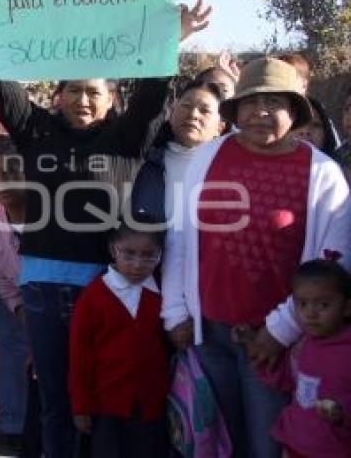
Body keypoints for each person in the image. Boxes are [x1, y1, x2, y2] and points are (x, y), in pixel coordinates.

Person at [0, 0, 211, 458]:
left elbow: (151, 97)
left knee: (106, 399)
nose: (83, 100)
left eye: (94, 92)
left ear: (111, 100)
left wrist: (173, 38)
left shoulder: (127, 139)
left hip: (106, 290)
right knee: (54, 399)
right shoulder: (35, 130)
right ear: (57, 95)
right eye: (73, 91)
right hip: (43, 287)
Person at [161, 58, 351, 458]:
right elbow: (180, 235)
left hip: (275, 344)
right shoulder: (208, 157)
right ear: (235, 110)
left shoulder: (322, 173)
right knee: (216, 441)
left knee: (266, 445)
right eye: (250, 102)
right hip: (208, 332)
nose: (261, 112)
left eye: (274, 103)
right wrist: (175, 309)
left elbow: (333, 264)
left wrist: (280, 329)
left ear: (295, 112)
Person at [70, 214, 169, 458]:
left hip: (151, 406)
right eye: (129, 254)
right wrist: (81, 405)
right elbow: (79, 355)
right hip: (107, 407)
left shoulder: (162, 295)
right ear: (113, 250)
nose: (138, 264)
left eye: (149, 256)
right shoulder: (93, 297)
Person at [247, 258, 351, 457]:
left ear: (347, 308)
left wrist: (341, 410)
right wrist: (252, 349)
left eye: (323, 304)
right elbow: (289, 380)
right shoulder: (302, 344)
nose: (311, 313)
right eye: (302, 304)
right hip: (295, 444)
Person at [0, 135, 36, 456]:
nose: (2, 182)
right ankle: (14, 423)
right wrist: (21, 310)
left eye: (12, 172)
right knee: (12, 348)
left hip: (59, 305)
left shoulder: (53, 213)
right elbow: (2, 279)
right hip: (20, 303)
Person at [132, 78, 226, 222]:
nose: (193, 115)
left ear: (220, 127)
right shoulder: (146, 163)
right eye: (186, 105)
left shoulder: (228, 170)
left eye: (204, 111)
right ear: (172, 112)